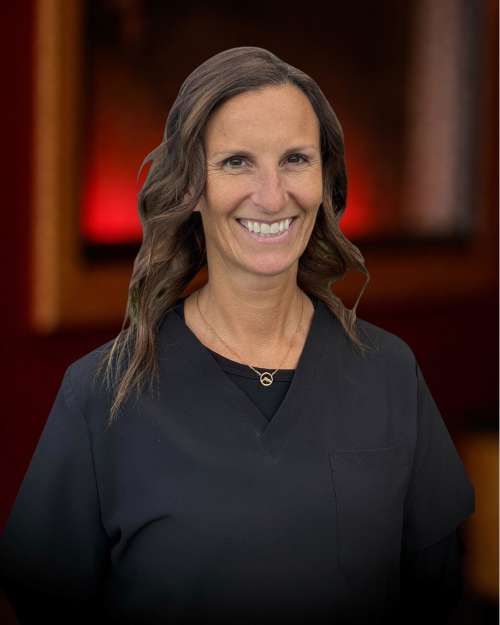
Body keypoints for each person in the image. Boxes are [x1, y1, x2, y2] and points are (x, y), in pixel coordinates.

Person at [0, 47, 474, 625]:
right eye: (236, 162)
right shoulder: (101, 393)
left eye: (295, 159)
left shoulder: (389, 371)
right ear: (192, 187)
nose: (272, 196)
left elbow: (437, 598)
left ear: (325, 180)